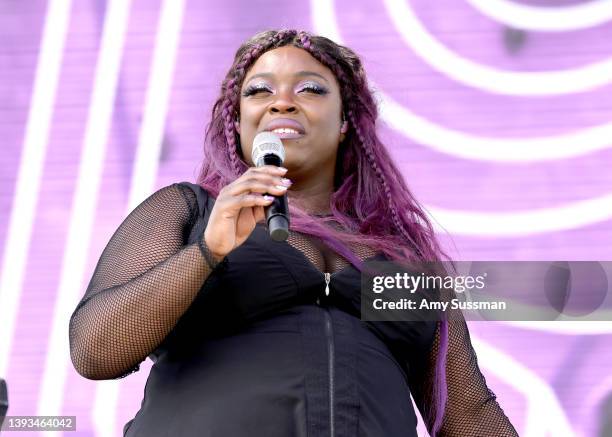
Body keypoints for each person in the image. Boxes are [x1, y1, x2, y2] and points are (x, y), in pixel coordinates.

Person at [68, 29, 519, 437]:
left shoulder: (403, 255)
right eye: (259, 91)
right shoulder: (190, 209)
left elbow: (468, 414)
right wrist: (208, 250)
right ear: (240, 122)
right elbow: (96, 351)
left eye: (310, 89)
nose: (281, 102)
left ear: (345, 121)